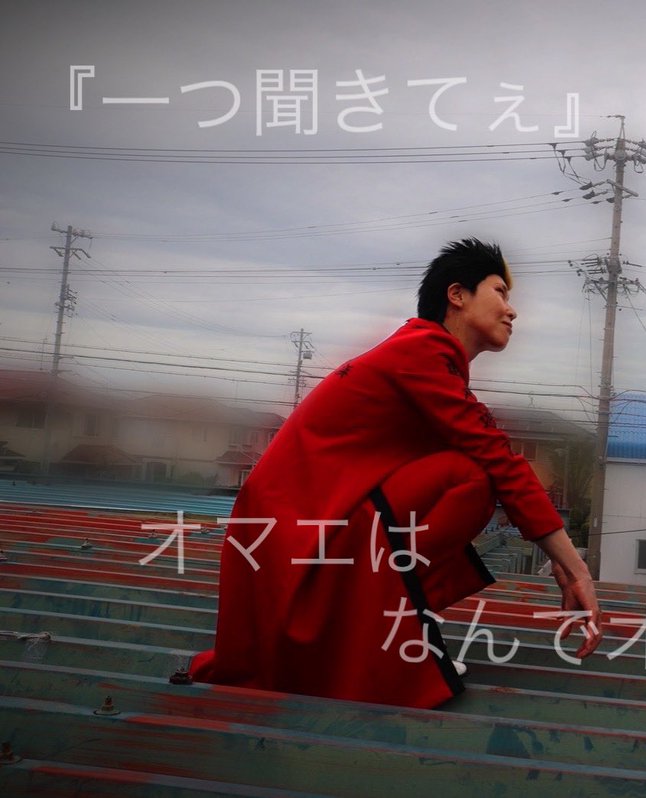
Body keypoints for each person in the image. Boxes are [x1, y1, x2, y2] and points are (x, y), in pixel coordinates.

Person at [192, 238, 604, 709]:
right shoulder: (421, 353)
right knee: (471, 477)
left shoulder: (421, 358)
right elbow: (498, 459)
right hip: (294, 546)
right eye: (500, 292)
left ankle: (368, 625)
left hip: (288, 544)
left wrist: (561, 559)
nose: (512, 310)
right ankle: (371, 633)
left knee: (466, 469)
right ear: (457, 295)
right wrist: (575, 568)